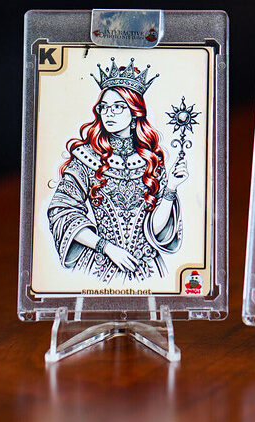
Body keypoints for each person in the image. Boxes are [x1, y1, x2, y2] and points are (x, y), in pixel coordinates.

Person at [48, 58, 188, 282]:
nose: (109, 113)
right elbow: (61, 211)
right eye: (104, 107)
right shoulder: (85, 158)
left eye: (118, 107)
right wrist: (107, 248)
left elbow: (155, 230)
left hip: (148, 271)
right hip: (99, 268)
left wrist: (171, 188)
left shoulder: (151, 161)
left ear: (134, 114)